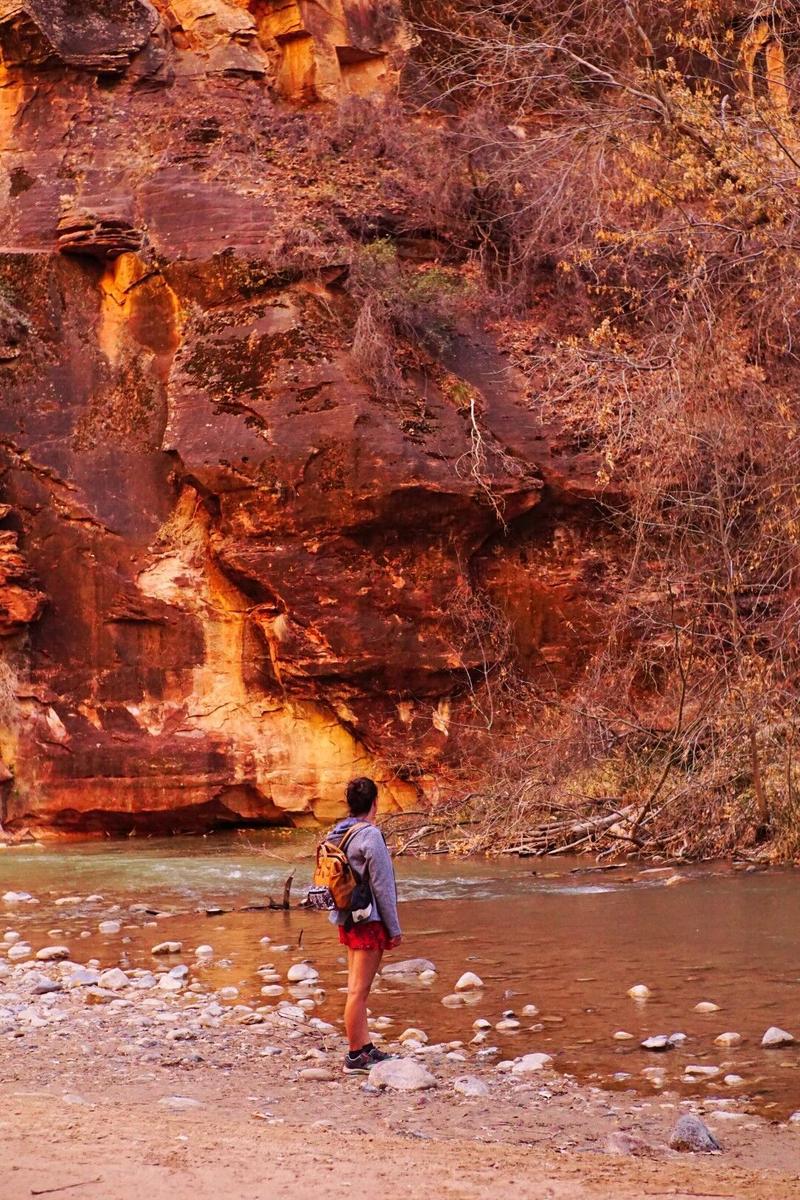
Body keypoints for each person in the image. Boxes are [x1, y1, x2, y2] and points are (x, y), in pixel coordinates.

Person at [328, 776, 403, 1074]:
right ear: (374, 803)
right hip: (368, 921)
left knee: (355, 988)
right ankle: (355, 1056)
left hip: (347, 920)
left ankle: (365, 1045)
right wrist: (394, 928)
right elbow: (383, 886)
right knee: (359, 991)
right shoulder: (370, 835)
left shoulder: (337, 833)